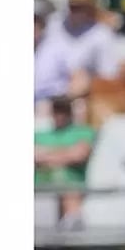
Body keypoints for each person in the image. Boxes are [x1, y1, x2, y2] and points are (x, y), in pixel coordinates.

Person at [34, 97, 96, 229]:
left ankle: (73, 223)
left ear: (70, 113)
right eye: (57, 111)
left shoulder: (84, 131)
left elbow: (79, 155)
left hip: (71, 186)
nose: (60, 115)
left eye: (64, 111)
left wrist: (47, 154)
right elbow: (35, 155)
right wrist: (66, 154)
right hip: (41, 185)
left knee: (68, 189)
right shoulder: (39, 135)